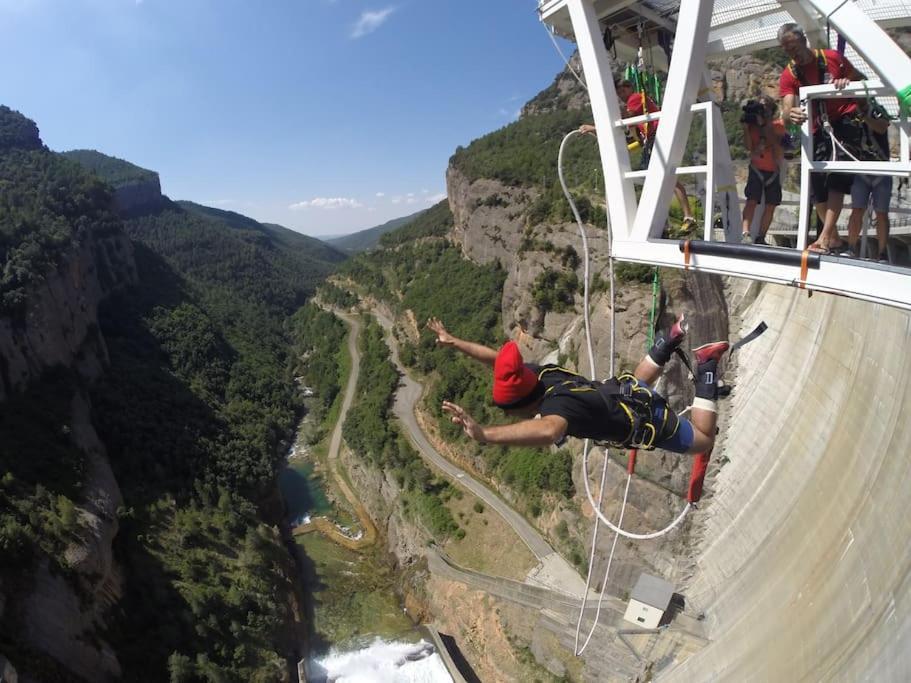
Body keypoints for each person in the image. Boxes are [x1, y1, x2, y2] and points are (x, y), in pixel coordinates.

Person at [428, 316, 728, 455]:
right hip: (622, 392)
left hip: (647, 421)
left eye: (509, 411)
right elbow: (500, 362)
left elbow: (549, 430)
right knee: (639, 381)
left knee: (703, 441)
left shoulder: (556, 408)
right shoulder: (540, 375)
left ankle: (707, 367)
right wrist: (453, 341)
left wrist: (484, 434)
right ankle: (671, 336)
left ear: (520, 406)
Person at [778, 22, 865, 254]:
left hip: (843, 119)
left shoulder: (832, 58)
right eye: (786, 49)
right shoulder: (790, 74)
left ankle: (824, 238)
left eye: (794, 46)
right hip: (817, 126)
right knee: (815, 185)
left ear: (803, 40)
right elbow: (786, 107)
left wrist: (845, 82)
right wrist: (790, 113)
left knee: (836, 177)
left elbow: (858, 79)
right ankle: (833, 237)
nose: (792, 53)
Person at [611, 79, 698, 233]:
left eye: (622, 92)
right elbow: (631, 129)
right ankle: (669, 221)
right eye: (618, 94)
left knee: (661, 178)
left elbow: (626, 117)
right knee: (660, 178)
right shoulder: (636, 101)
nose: (621, 96)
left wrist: (610, 109)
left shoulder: (635, 99)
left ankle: (678, 219)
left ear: (629, 88)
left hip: (656, 136)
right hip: (654, 137)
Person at [845, 102, 892, 262]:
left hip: (881, 169)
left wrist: (864, 117)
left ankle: (882, 253)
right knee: (857, 210)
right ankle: (851, 247)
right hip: (861, 168)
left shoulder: (878, 110)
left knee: (881, 213)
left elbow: (882, 126)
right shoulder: (850, 113)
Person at [741, 96, 786, 245]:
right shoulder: (753, 126)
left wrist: (765, 126)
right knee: (751, 201)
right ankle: (745, 233)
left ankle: (761, 236)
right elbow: (748, 147)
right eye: (760, 107)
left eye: (765, 107)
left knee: (771, 205)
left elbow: (776, 142)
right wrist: (746, 129)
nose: (763, 109)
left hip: (773, 170)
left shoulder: (776, 126)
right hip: (757, 168)